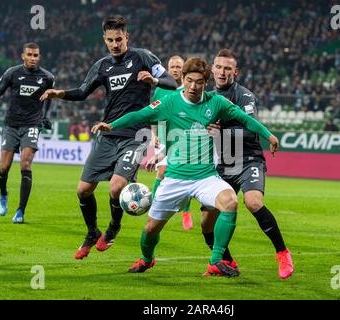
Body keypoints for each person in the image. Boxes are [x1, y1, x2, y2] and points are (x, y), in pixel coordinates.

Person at [91, 57, 279, 276]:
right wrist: (112, 124)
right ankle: (147, 259)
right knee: (151, 229)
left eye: (198, 82)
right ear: (183, 79)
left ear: (206, 82)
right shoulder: (170, 102)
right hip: (174, 179)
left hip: (205, 178)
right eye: (189, 80)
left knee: (230, 202)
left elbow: (246, 120)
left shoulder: (216, 103)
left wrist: (269, 135)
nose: (193, 86)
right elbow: (139, 115)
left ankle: (216, 260)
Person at [40, 15, 178, 259]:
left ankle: (114, 227)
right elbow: (83, 92)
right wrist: (57, 93)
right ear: (104, 40)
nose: (115, 44)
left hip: (136, 135)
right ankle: (92, 232)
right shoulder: (102, 65)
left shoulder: (143, 57)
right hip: (108, 132)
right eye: (110, 40)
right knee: (83, 190)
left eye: (119, 39)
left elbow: (171, 81)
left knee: (117, 187)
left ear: (127, 37)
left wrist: (153, 79)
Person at [200, 49, 293, 279]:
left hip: (248, 159)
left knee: (253, 202)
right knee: (206, 224)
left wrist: (222, 130)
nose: (222, 72)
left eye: (228, 68)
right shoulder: (208, 98)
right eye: (219, 67)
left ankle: (282, 252)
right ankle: (226, 261)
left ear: (235, 72)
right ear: (212, 69)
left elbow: (251, 129)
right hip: (223, 164)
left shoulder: (245, 96)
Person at [0, 42, 54, 224]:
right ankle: (3, 194)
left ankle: (20, 211)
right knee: (4, 167)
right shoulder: (12, 73)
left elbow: (49, 97)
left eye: (36, 55)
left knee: (25, 165)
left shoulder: (47, 77)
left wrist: (44, 116)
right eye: (29, 54)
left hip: (31, 125)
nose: (33, 58)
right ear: (23, 56)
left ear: (39, 57)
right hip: (11, 125)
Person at [148, 55, 194, 230]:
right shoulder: (160, 89)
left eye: (178, 66)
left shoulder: (189, 87)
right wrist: (154, 135)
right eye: (172, 66)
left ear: (184, 69)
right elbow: (154, 114)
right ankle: (153, 205)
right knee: (162, 172)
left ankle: (186, 212)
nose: (175, 69)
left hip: (183, 137)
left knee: (184, 174)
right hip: (164, 136)